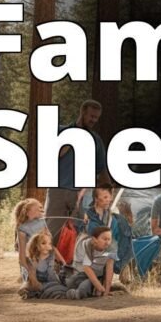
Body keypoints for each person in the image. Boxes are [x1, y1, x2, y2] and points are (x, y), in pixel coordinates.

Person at [45, 100, 110, 244]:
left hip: (82, 194)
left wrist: (108, 192)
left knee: (79, 232)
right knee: (52, 229)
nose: (94, 120)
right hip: (58, 190)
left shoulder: (96, 140)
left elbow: (101, 169)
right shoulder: (61, 131)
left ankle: (69, 266)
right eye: (91, 116)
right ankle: (46, 264)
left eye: (96, 118)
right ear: (82, 112)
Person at [14, 198, 63, 282]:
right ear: (27, 213)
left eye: (41, 208)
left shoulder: (42, 222)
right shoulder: (22, 229)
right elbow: (22, 258)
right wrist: (30, 276)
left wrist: (63, 263)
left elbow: (51, 246)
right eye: (37, 209)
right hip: (32, 262)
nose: (42, 210)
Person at [65, 226, 115, 300]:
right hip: (80, 274)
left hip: (96, 276)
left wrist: (106, 291)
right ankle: (74, 293)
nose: (107, 242)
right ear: (95, 239)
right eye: (104, 239)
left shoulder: (111, 248)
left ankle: (93, 290)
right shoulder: (87, 245)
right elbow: (86, 268)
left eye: (109, 239)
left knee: (93, 285)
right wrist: (100, 287)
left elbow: (109, 268)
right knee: (85, 286)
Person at [20, 232, 69, 300]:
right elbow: (32, 278)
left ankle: (51, 291)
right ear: (36, 245)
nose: (47, 246)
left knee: (58, 287)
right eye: (43, 243)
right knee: (27, 286)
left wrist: (58, 283)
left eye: (49, 243)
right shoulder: (31, 259)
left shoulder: (50, 255)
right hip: (35, 281)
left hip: (48, 280)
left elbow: (51, 272)